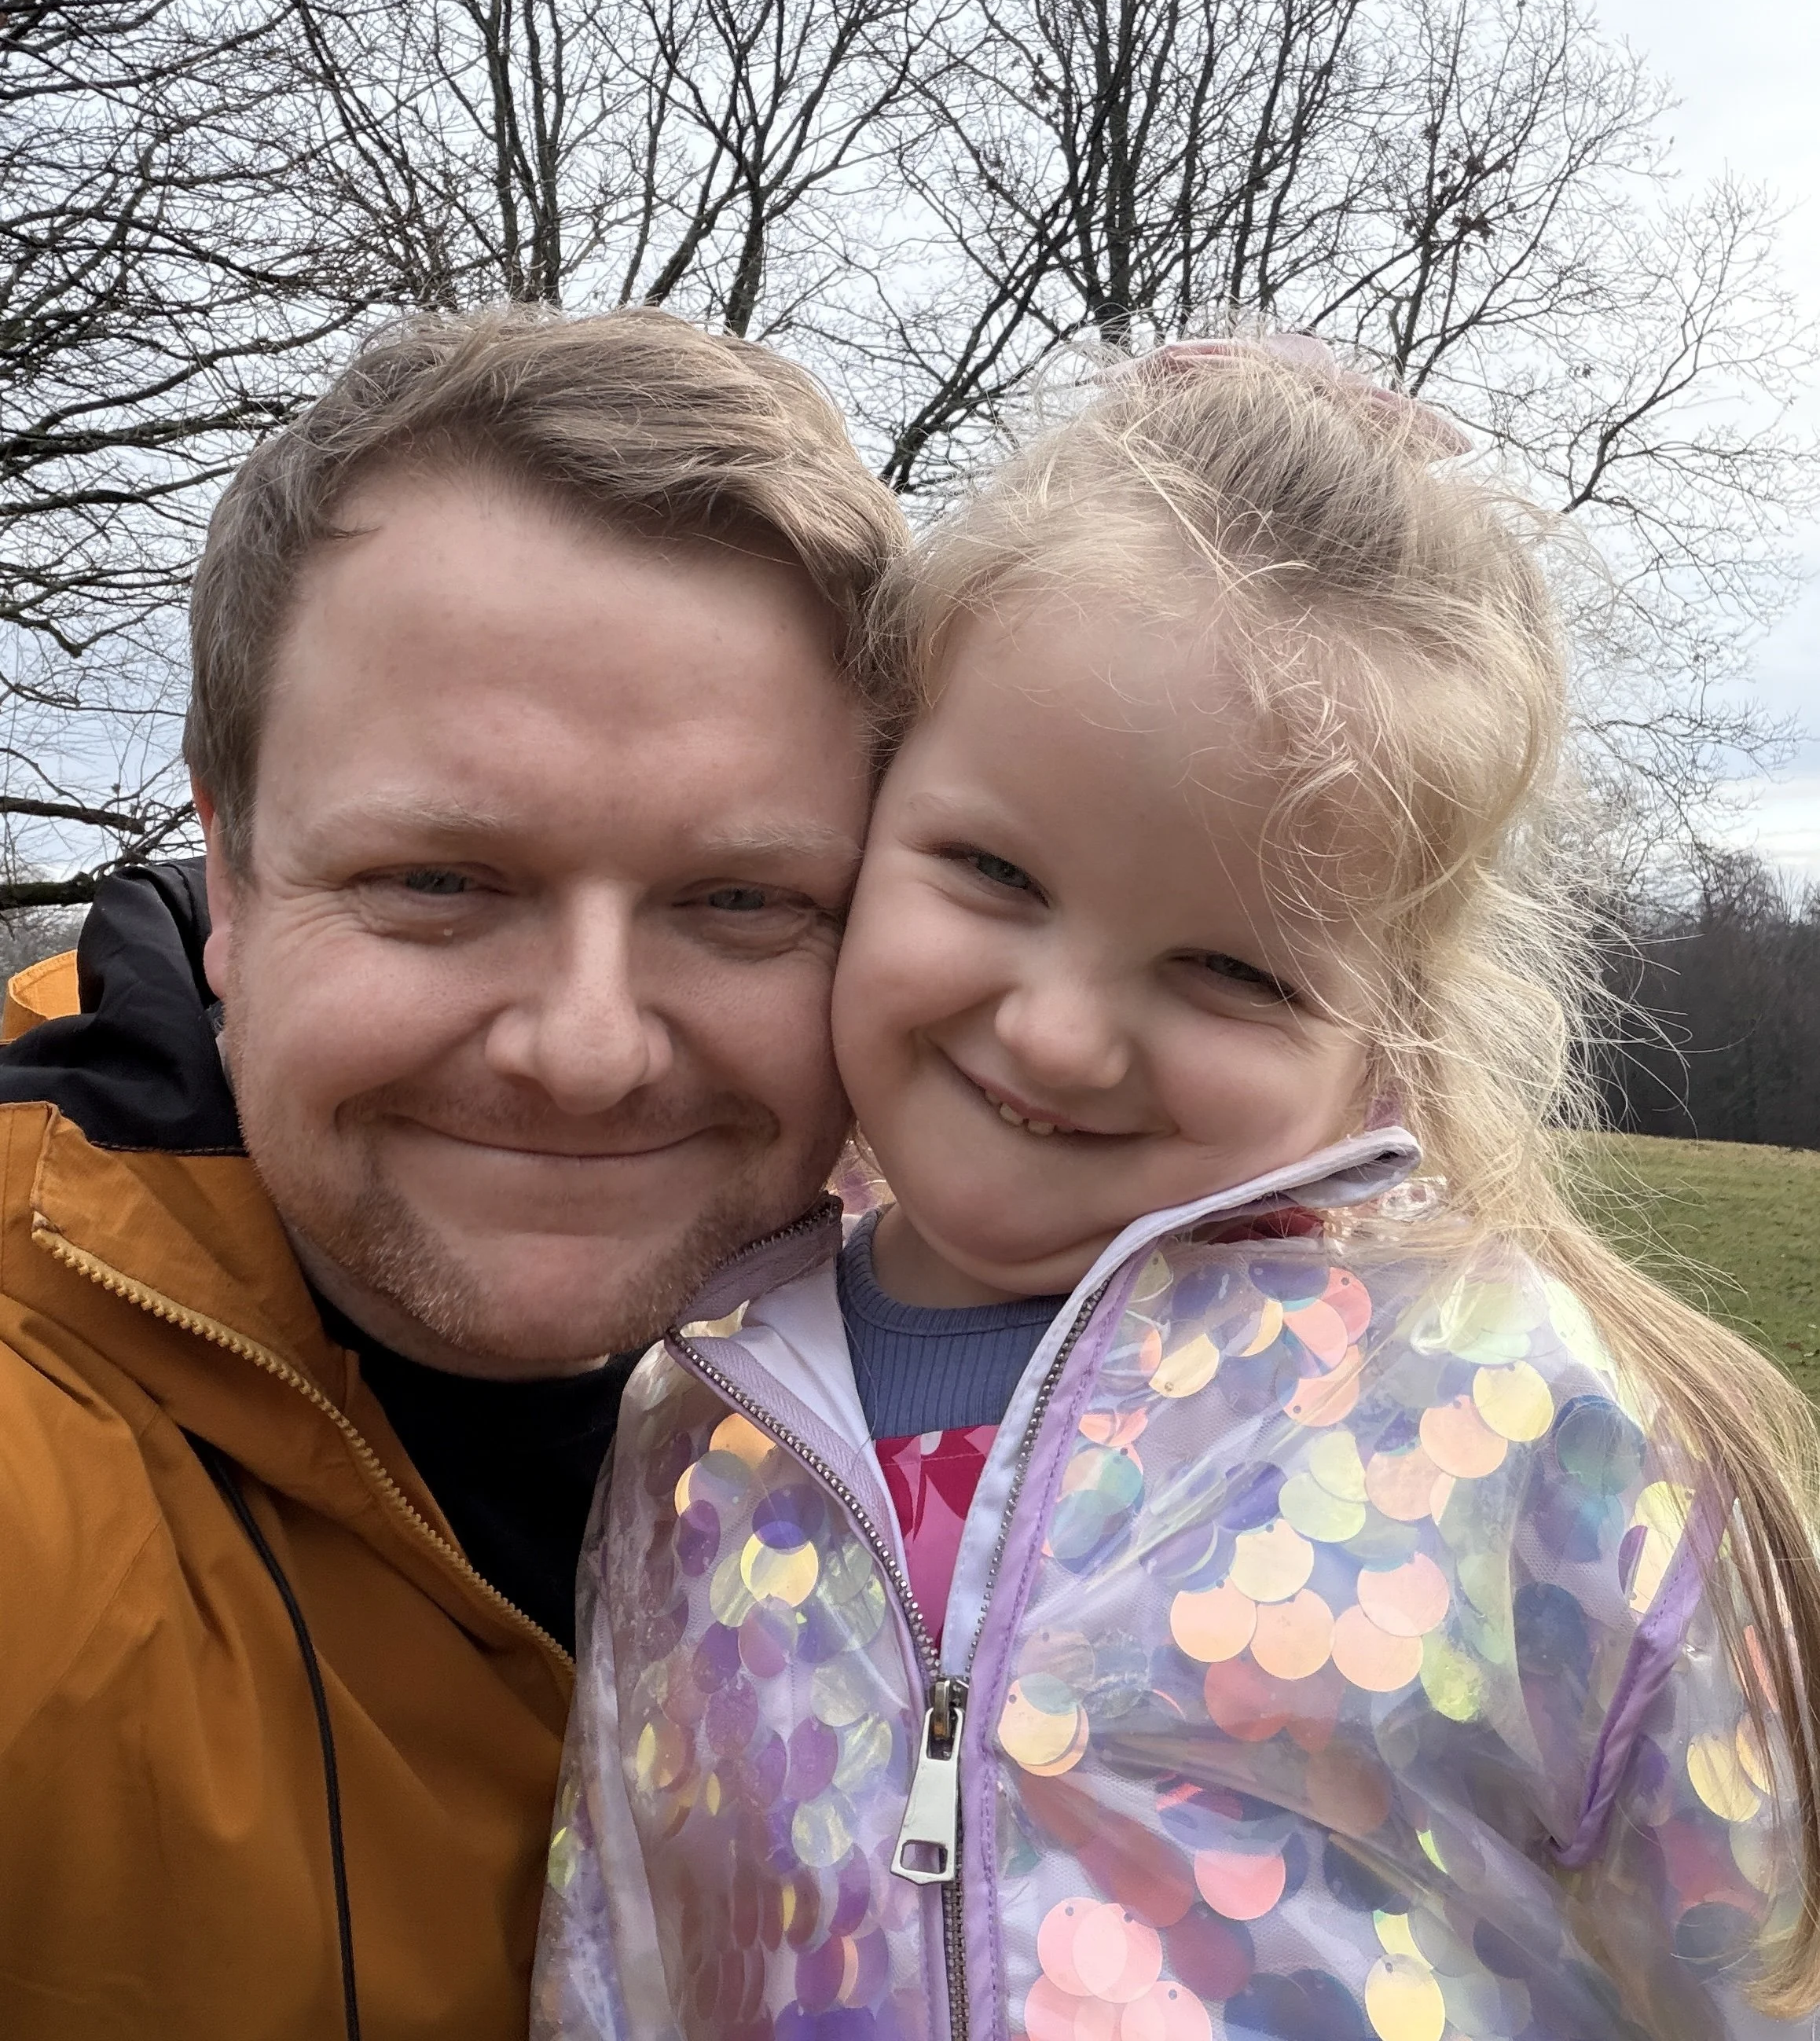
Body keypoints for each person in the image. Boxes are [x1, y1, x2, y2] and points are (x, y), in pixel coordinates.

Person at [538, 336, 1820, 2041]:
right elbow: (613, 1950)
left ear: (1389, 1031)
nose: (1061, 1036)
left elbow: (1749, 1974)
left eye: (1230, 970)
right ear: (864, 813)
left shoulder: (1524, 1419)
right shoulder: (692, 1413)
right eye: (992, 869)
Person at [0, 303, 907, 2040]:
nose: (586, 1045)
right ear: (233, 873)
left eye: (741, 900)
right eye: (437, 878)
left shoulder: (1028, 1449)